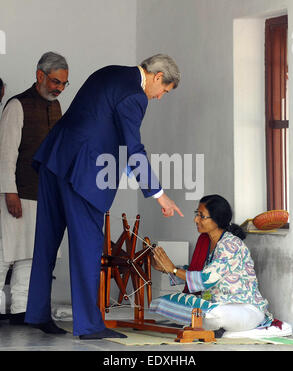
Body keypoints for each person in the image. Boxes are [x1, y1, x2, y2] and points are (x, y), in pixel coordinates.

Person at [25, 54, 183, 339]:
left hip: (56, 158)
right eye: (164, 92)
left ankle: (36, 312)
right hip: (84, 172)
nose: (160, 97)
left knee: (46, 241)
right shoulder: (136, 96)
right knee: (87, 247)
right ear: (157, 77)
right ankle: (88, 325)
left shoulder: (110, 70)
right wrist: (159, 195)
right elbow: (134, 149)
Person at [0, 52, 69, 326]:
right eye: (55, 81)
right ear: (39, 75)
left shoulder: (57, 107)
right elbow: (6, 154)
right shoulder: (17, 105)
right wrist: (9, 191)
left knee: (30, 256)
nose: (59, 88)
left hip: (45, 195)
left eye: (63, 84)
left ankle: (20, 311)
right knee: (5, 255)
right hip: (16, 194)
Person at [150, 194, 276, 336]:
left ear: (217, 219)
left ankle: (210, 324)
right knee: (163, 303)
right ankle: (211, 325)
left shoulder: (231, 245)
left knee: (212, 314)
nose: (196, 219)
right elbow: (196, 271)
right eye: (196, 214)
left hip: (244, 308)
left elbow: (206, 278)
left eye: (201, 216)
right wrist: (165, 268)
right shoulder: (206, 242)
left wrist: (172, 269)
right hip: (215, 303)